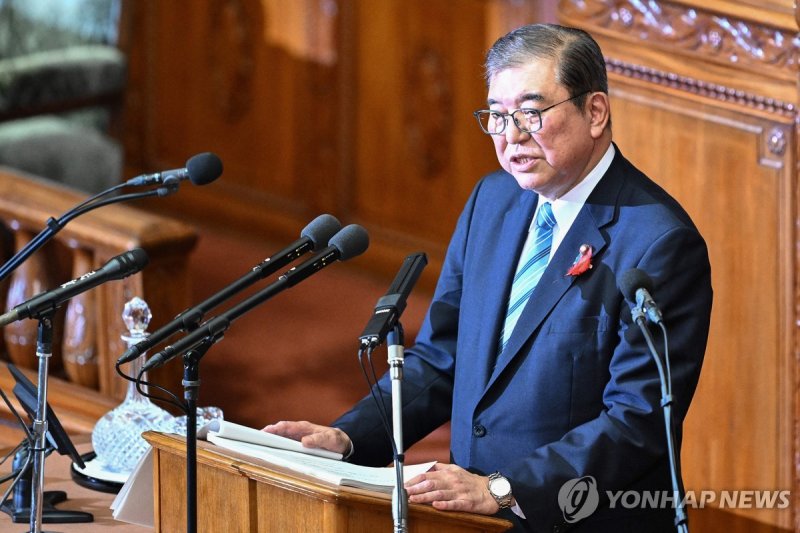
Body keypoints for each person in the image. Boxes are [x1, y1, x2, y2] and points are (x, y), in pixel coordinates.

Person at [265, 23, 712, 532]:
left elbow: (637, 420)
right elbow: (442, 355)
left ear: (595, 112)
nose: (512, 136)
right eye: (497, 116)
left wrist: (504, 489)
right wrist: (349, 438)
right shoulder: (492, 201)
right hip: (470, 517)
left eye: (530, 113)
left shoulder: (659, 243)